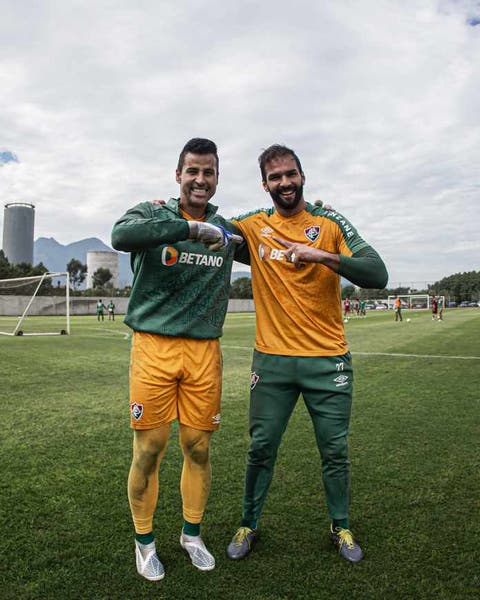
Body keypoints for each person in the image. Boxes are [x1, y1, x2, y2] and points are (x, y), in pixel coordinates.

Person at [225, 144, 388, 564]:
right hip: (272, 361)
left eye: (290, 174)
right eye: (275, 177)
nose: (285, 183)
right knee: (261, 448)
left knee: (335, 451)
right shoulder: (251, 226)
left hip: (327, 360)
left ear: (302, 176)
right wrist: (167, 207)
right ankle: (248, 523)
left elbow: (377, 272)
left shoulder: (329, 221)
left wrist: (323, 256)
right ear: (264, 184)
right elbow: (206, 225)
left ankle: (341, 526)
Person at [111, 138, 247, 581]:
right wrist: (187, 231)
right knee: (150, 447)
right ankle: (144, 542)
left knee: (199, 447)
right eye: (193, 171)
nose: (200, 180)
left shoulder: (228, 230)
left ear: (217, 177)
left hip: (205, 350)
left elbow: (264, 243)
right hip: (154, 346)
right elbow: (120, 236)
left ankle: (192, 535)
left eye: (208, 172)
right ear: (178, 175)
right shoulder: (153, 213)